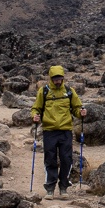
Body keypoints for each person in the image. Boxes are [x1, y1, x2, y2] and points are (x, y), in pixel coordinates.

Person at [31, 65, 86, 199]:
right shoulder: (44, 91)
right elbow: (36, 108)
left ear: (63, 78)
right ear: (51, 78)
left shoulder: (69, 91)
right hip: (49, 131)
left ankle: (63, 187)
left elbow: (76, 108)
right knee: (50, 159)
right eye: (55, 79)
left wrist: (81, 113)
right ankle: (50, 188)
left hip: (65, 131)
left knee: (66, 159)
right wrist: (35, 116)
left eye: (59, 78)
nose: (57, 81)